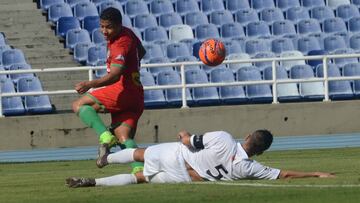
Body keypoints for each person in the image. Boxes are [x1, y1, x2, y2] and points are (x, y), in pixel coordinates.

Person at [66, 130, 335, 187]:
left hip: (178, 154)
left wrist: (184, 133)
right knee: (140, 180)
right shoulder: (249, 168)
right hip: (185, 177)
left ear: (249, 135)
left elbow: (188, 141)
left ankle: (105, 161)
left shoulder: (224, 137)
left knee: (140, 153)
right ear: (261, 151)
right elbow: (284, 174)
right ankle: (93, 183)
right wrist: (316, 173)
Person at [71, 7, 146, 173]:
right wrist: (132, 66)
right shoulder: (128, 33)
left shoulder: (119, 44)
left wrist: (89, 84)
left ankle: (105, 136)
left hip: (122, 91)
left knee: (79, 105)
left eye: (109, 27)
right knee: (124, 137)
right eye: (102, 26)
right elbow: (142, 51)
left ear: (119, 25)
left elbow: (115, 75)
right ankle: (139, 170)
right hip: (136, 95)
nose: (104, 31)